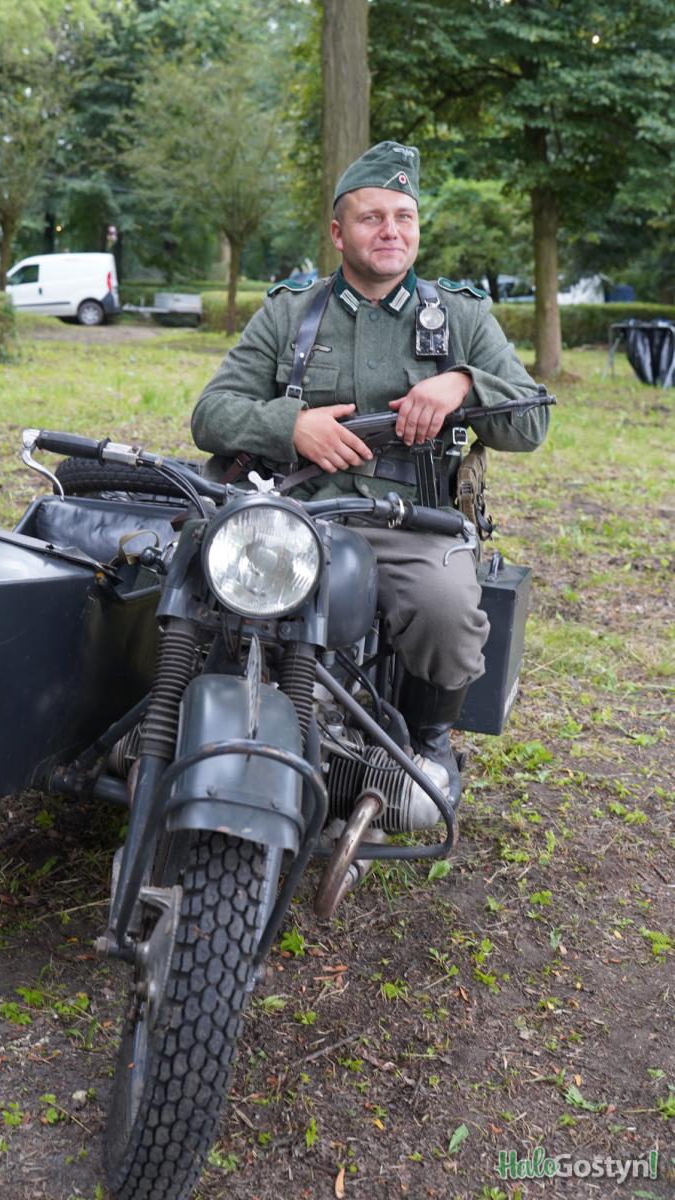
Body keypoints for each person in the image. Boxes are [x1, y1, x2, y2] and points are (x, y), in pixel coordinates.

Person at [192, 140, 549, 814]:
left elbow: (531, 424)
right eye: (371, 218)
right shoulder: (291, 313)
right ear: (338, 233)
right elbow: (210, 415)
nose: (390, 231)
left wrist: (464, 384)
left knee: (446, 612)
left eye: (403, 217)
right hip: (296, 514)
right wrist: (290, 426)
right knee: (203, 594)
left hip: (410, 524)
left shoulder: (462, 318)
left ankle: (427, 741)